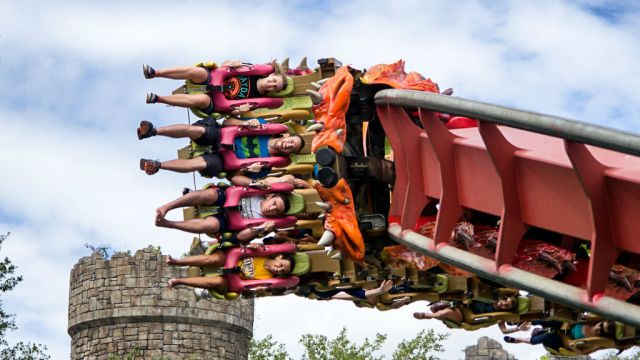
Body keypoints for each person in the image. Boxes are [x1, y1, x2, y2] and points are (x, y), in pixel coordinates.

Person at [138, 117, 305, 178]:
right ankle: (152, 131)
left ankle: (156, 165)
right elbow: (227, 123)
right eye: (291, 141)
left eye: (292, 148)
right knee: (197, 130)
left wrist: (248, 171)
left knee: (199, 164)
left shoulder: (266, 169)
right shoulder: (262, 125)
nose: (288, 145)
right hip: (221, 135)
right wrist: (245, 124)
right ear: (285, 136)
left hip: (225, 160)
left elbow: (234, 178)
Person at [143, 61, 287, 115]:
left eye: (275, 87)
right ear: (271, 75)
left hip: (215, 101)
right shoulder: (254, 70)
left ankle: (157, 99)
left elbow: (231, 113)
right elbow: (225, 65)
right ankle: (155, 73)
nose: (272, 84)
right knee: (197, 72)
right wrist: (231, 63)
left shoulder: (259, 99)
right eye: (274, 81)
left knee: (202, 100)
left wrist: (239, 110)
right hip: (213, 79)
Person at [155, 185, 291, 241]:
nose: (272, 208)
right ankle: (167, 207)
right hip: (225, 198)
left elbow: (240, 237)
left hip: (227, 221)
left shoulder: (265, 225)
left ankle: (168, 223)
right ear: (270, 197)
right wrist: (257, 184)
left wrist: (258, 229)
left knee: (210, 225)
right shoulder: (260, 192)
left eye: (276, 210)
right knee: (209, 195)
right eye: (274, 204)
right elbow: (238, 183)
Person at [165, 245, 295, 293]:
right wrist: (253, 246)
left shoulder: (268, 279)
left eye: (282, 271)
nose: (279, 269)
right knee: (214, 260)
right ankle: (177, 262)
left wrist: (257, 290)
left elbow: (248, 290)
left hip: (231, 280)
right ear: (279, 257)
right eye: (281, 265)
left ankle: (178, 281)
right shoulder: (264, 253)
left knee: (217, 282)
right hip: (229, 260)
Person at [503, 319, 616, 353]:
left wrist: (573, 346)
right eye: (601, 325)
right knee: (549, 321)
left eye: (602, 330)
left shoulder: (595, 341)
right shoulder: (591, 321)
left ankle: (519, 339)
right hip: (563, 328)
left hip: (561, 341)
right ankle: (522, 322)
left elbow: (582, 352)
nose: (599, 327)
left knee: (546, 338)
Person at [412, 295, 519, 324]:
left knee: (445, 313)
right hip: (459, 304)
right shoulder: (490, 296)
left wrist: (517, 329)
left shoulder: (498, 314)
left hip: (464, 316)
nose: (503, 304)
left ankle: (426, 316)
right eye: (505, 300)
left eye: (506, 306)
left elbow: (504, 330)